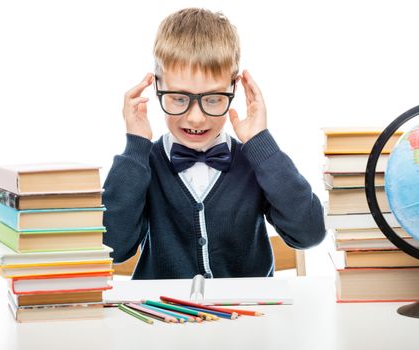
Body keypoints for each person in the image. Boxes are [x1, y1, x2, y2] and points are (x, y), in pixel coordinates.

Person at [103, 8, 325, 279]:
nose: (196, 118)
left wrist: (261, 145)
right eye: (178, 98)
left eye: (213, 99)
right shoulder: (142, 163)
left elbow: (310, 233)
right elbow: (111, 248)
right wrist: (136, 145)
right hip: (164, 316)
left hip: (249, 316)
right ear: (156, 87)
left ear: (234, 88)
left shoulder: (257, 161)